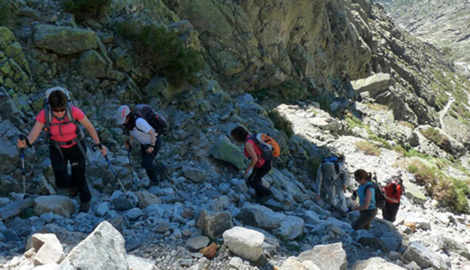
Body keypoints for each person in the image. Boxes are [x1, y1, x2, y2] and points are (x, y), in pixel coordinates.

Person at [17, 87, 107, 213]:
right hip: (57, 147)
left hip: (76, 146)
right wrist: (25, 143)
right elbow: (33, 135)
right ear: (50, 107)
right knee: (60, 180)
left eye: (62, 110)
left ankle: (85, 200)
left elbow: (89, 126)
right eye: (56, 110)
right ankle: (70, 184)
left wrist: (98, 144)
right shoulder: (45, 113)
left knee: (79, 174)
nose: (59, 113)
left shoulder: (74, 111)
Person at [115, 105, 163, 184]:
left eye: (124, 120)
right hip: (144, 144)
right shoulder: (129, 124)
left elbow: (153, 133)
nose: (123, 122)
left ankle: (162, 168)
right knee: (146, 164)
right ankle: (153, 181)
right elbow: (132, 133)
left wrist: (152, 145)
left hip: (154, 141)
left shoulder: (139, 122)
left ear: (128, 117)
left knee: (146, 163)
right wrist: (129, 143)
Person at [231, 126, 273, 203]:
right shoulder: (251, 137)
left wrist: (248, 169)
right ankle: (260, 196)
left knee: (251, 181)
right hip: (266, 162)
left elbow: (255, 159)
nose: (234, 139)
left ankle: (268, 193)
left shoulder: (248, 143)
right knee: (257, 178)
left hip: (263, 164)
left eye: (234, 137)